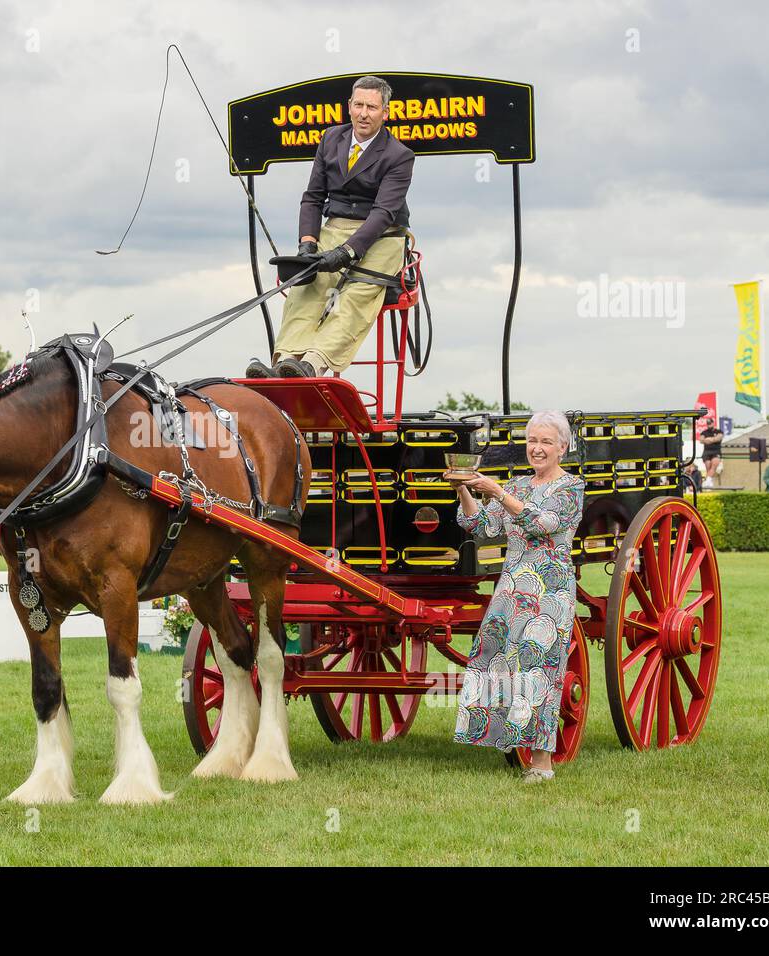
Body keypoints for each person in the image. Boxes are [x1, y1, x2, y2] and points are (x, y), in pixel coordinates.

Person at [447, 411, 586, 783]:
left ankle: (542, 764)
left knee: (537, 669)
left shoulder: (571, 487)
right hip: (510, 590)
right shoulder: (519, 485)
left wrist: (499, 493)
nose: (537, 449)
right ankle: (500, 739)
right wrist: (462, 487)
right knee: (498, 663)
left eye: (545, 442)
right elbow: (483, 526)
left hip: (548, 592)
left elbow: (543, 525)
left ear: (562, 447)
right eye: (532, 441)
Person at [247, 75, 415, 379]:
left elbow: (383, 213)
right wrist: (308, 243)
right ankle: (284, 360)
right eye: (359, 105)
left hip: (381, 237)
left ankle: (312, 363)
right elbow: (313, 196)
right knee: (307, 287)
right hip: (333, 227)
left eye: (372, 107)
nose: (364, 113)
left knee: (353, 298)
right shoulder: (331, 139)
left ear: (385, 113)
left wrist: (347, 252)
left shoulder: (399, 156)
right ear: (349, 106)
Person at [699, 417, 723, 486]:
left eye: (710, 423)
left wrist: (709, 439)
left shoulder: (718, 431)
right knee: (708, 466)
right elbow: (701, 440)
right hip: (707, 452)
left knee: (714, 464)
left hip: (716, 451)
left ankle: (707, 481)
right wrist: (713, 439)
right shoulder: (704, 432)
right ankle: (709, 482)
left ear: (713, 423)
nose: (709, 425)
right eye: (708, 424)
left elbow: (718, 438)